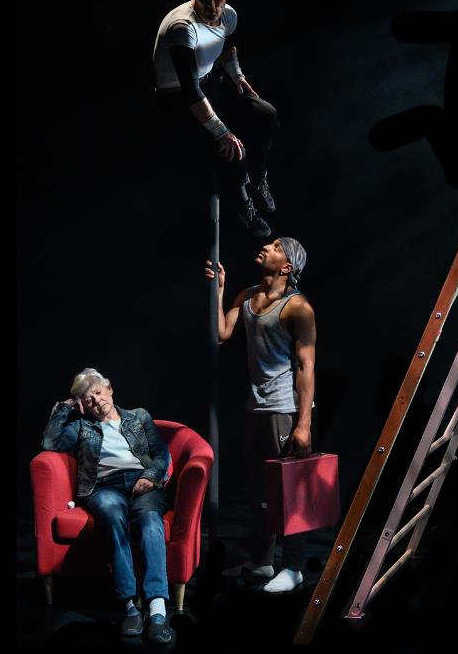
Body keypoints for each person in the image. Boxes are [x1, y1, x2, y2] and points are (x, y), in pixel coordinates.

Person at [205, 237, 317, 593]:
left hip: (284, 408)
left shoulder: (297, 307)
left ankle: (294, 567)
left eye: (276, 247)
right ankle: (263, 561)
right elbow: (221, 334)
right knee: (260, 491)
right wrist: (219, 291)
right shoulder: (248, 295)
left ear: (287, 267)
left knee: (290, 492)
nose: (267, 246)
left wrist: (303, 424)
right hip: (255, 406)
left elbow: (306, 365)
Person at [41, 368, 175, 643]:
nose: (96, 401)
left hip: (142, 482)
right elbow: (49, 442)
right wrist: (66, 406)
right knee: (113, 517)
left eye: (99, 393)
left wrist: (150, 477)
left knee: (151, 521)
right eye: (88, 400)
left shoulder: (139, 416)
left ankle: (157, 607)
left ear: (110, 389)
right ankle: (129, 605)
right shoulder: (80, 426)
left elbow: (161, 454)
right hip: (104, 487)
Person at [153, 0, 279, 237]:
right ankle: (242, 202)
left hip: (209, 83)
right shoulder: (181, 28)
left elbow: (226, 45)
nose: (212, 5)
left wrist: (238, 76)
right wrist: (222, 132)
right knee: (234, 149)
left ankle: (257, 178)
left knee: (266, 114)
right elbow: (189, 89)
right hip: (178, 99)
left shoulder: (229, 14)